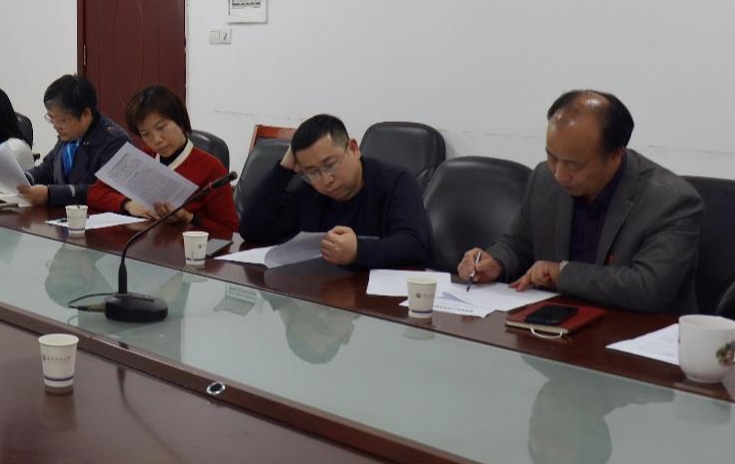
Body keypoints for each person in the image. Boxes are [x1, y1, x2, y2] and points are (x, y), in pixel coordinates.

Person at [458, 90, 703, 313]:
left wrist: (562, 273)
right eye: (552, 157)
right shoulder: (544, 178)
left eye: (574, 165)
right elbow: (519, 244)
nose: (559, 174)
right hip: (555, 326)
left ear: (616, 155)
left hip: (635, 334)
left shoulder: (671, 201)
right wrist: (495, 262)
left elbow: (648, 288)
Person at [238, 113, 431, 268]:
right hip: (321, 292)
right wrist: (284, 169)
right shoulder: (310, 191)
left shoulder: (396, 182)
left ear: (353, 149)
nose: (326, 180)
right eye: (312, 172)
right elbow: (252, 231)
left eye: (330, 165)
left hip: (376, 298)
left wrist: (358, 251)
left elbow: (414, 244)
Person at [86, 85, 238, 236]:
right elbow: (95, 192)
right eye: (146, 134)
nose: (156, 140)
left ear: (180, 122)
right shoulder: (144, 157)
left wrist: (188, 218)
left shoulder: (211, 168)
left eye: (161, 127)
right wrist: (127, 204)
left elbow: (229, 230)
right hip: (145, 242)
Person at [18, 74, 129, 207]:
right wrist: (22, 178)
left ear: (86, 114)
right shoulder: (69, 134)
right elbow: (47, 168)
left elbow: (103, 192)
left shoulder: (115, 141)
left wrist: (51, 194)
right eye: (51, 118)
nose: (55, 126)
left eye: (62, 120)